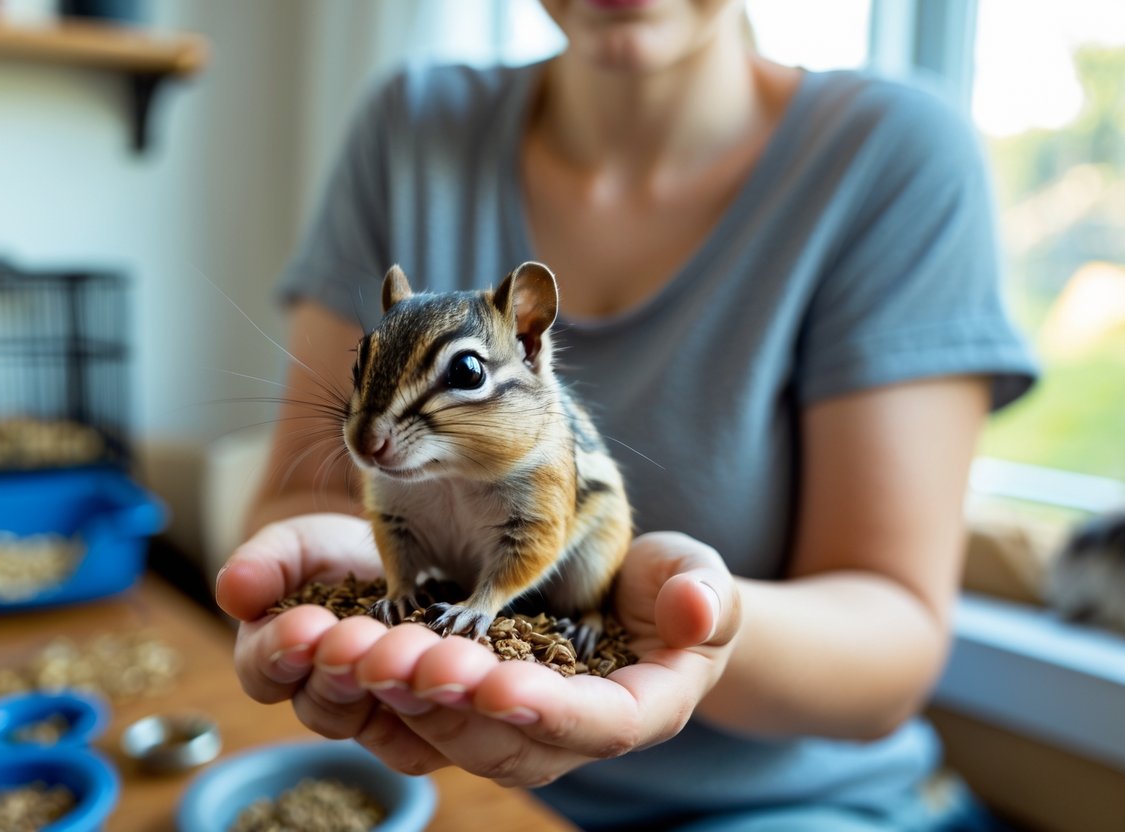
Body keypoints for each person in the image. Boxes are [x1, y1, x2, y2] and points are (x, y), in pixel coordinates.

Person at [216, 1, 1036, 829]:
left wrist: (682, 624)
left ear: (530, 340)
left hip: (797, 802)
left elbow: (889, 648)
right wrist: (347, 590)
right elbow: (306, 497)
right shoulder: (406, 123)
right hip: (460, 788)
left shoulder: (893, 152)